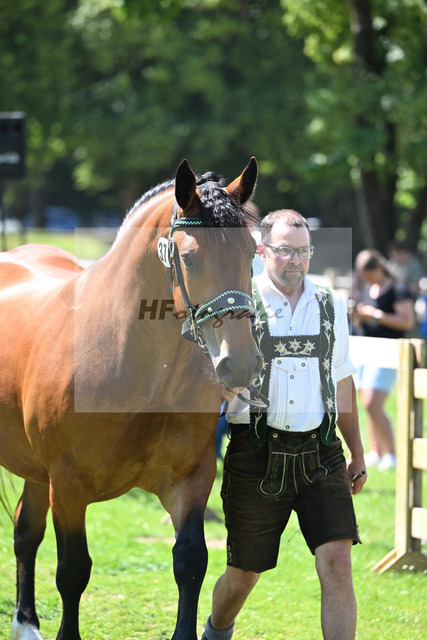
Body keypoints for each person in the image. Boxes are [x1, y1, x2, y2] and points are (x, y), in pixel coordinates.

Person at [202, 209, 366, 640]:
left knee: (338, 563)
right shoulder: (238, 304)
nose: (296, 260)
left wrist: (357, 452)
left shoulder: (330, 304)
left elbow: (342, 379)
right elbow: (210, 382)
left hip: (322, 452)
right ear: (262, 251)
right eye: (286, 251)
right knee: (243, 575)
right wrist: (223, 391)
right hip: (255, 453)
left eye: (304, 251)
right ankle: (216, 632)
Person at [352, 249, 415, 470]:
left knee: (373, 403)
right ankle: (376, 451)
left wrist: (376, 315)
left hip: (389, 352)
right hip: (366, 351)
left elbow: (407, 322)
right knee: (367, 404)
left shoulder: (398, 289)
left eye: (369, 274)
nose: (367, 279)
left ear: (379, 268)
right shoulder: (369, 289)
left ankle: (392, 454)